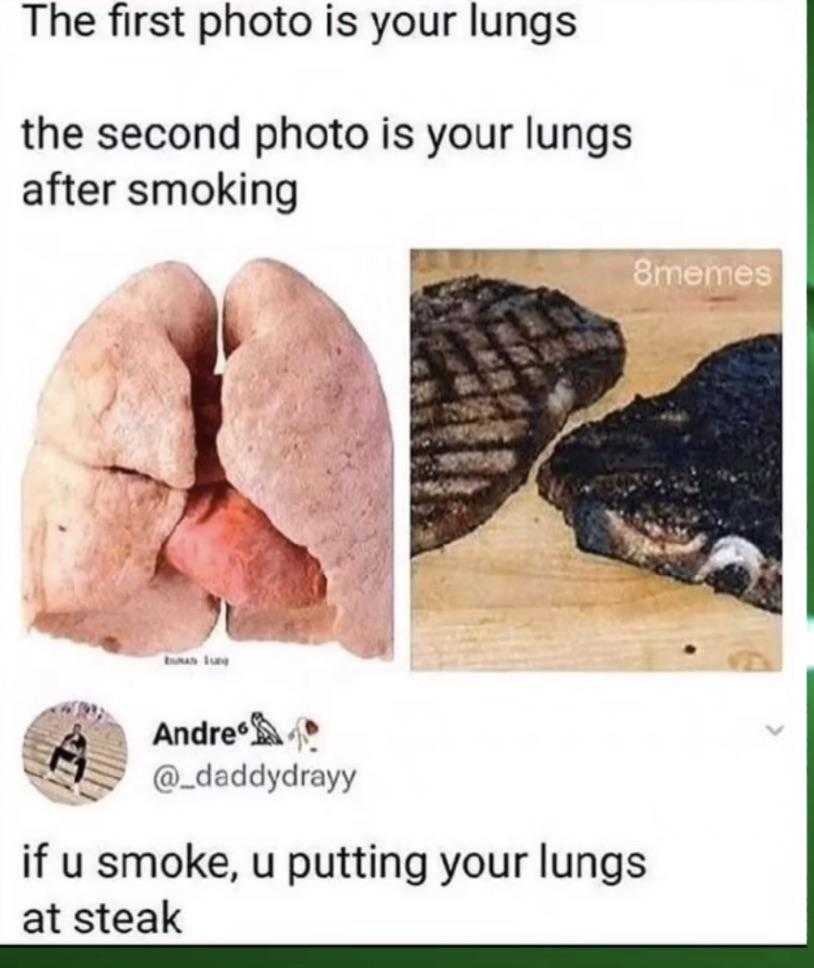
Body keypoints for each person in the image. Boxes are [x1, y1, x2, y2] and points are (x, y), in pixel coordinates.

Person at [43, 723, 87, 797]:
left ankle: (76, 784)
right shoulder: (69, 736)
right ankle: (51, 772)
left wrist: (76, 758)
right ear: (73, 729)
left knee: (83, 761)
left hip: (75, 756)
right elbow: (62, 746)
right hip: (67, 753)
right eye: (74, 729)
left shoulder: (82, 739)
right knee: (57, 749)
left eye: (77, 730)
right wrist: (69, 740)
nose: (75, 731)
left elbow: (83, 752)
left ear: (80, 731)